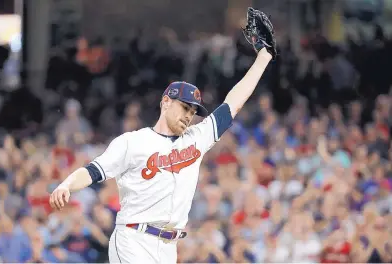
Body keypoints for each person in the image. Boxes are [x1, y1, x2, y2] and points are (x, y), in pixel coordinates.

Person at [49, 7, 276, 263]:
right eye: (184, 107)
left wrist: (264, 58)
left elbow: (233, 102)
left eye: (193, 111)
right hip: (133, 239)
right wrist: (67, 184)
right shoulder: (133, 142)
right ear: (166, 102)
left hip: (169, 247)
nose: (189, 115)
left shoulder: (197, 138)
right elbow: (92, 171)